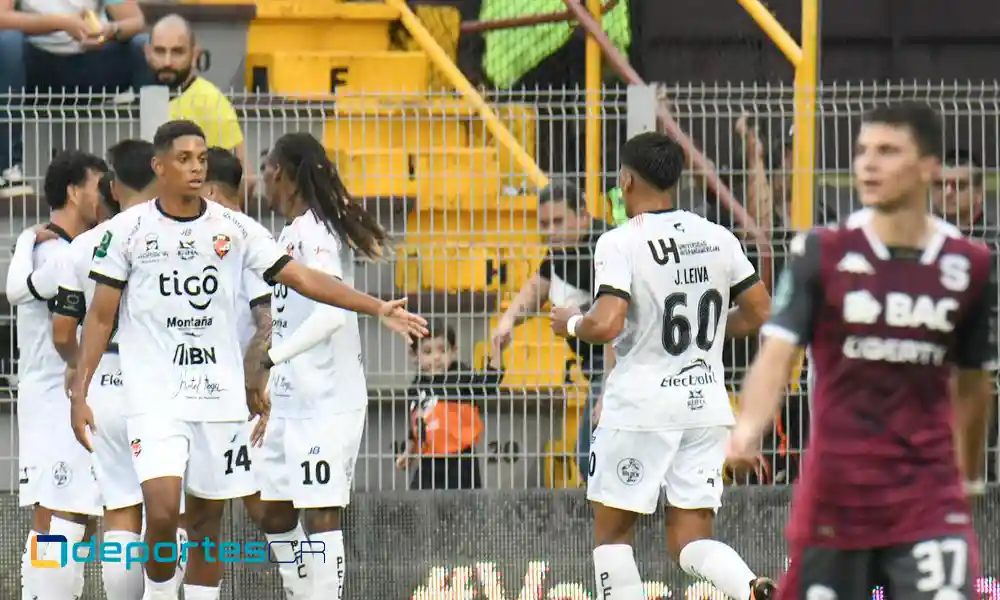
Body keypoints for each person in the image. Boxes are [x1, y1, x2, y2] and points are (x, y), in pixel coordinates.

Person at [67, 120, 426, 600]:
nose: (195, 168)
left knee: (206, 527)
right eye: (184, 159)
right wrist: (81, 389)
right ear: (159, 166)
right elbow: (99, 318)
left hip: (219, 399)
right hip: (155, 399)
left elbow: (302, 279)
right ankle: (156, 593)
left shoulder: (234, 228)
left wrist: (375, 306)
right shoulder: (129, 231)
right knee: (162, 509)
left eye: (201, 159)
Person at [729, 102, 996, 599]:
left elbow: (975, 383)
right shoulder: (822, 252)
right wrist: (748, 427)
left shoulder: (970, 265)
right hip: (836, 496)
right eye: (863, 151)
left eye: (889, 151)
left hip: (927, 497)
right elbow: (777, 351)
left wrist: (970, 479)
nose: (868, 164)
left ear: (928, 168)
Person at [549, 131, 775, 600]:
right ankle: (749, 585)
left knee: (613, 537)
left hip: (640, 409)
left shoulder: (619, 242)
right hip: (706, 406)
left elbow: (607, 323)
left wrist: (571, 322)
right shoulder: (718, 237)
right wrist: (708, 337)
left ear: (625, 181)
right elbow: (759, 312)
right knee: (691, 542)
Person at [252, 131, 397, 598]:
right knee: (272, 511)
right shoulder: (289, 232)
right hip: (291, 398)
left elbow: (332, 314)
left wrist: (271, 357)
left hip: (328, 401)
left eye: (265, 170)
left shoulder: (316, 233)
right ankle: (302, 591)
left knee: (320, 515)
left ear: (279, 173)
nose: (261, 181)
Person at [50, 139, 156, 600]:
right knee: (173, 509)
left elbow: (61, 332)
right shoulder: (168, 236)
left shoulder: (82, 248)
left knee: (120, 508)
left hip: (105, 385)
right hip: (162, 384)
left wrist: (80, 371)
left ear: (113, 187)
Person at [5, 150, 108, 599]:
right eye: (97, 185)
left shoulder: (51, 247)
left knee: (74, 513)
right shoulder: (55, 252)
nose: (103, 195)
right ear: (73, 190)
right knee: (57, 513)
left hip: (64, 396)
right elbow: (24, 297)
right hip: (53, 397)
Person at [180, 145, 272, 600]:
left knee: (264, 511)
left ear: (211, 189)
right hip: (207, 395)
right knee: (201, 517)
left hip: (240, 400)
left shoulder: (243, 236)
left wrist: (256, 376)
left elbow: (268, 318)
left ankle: (312, 585)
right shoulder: (211, 235)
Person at [490, 179, 606, 482]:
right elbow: (535, 289)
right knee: (593, 460)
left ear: (582, 215)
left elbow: (616, 317)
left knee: (591, 458)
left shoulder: (607, 247)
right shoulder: (559, 252)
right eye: (544, 223)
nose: (550, 230)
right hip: (598, 372)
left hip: (620, 369)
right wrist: (507, 321)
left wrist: (572, 322)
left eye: (558, 221)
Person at [0, 0, 151, 197]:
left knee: (143, 45)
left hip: (91, 62)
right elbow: (2, 17)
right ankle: (9, 169)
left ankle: (149, 171)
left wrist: (110, 30)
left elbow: (135, 20)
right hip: (36, 67)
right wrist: (61, 23)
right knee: (7, 43)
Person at [146, 15, 249, 194]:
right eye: (160, 51)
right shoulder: (136, 94)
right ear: (147, 52)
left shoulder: (212, 102)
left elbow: (245, 179)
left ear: (195, 54)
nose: (167, 61)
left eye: (177, 52)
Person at [396, 319, 504, 490]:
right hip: (428, 460)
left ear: (454, 352)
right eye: (427, 351)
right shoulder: (417, 387)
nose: (436, 357)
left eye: (443, 350)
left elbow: (489, 383)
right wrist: (409, 451)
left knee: (462, 505)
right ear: (415, 355)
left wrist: (498, 351)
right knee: (421, 501)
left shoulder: (461, 378)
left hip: (461, 461)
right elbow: (416, 425)